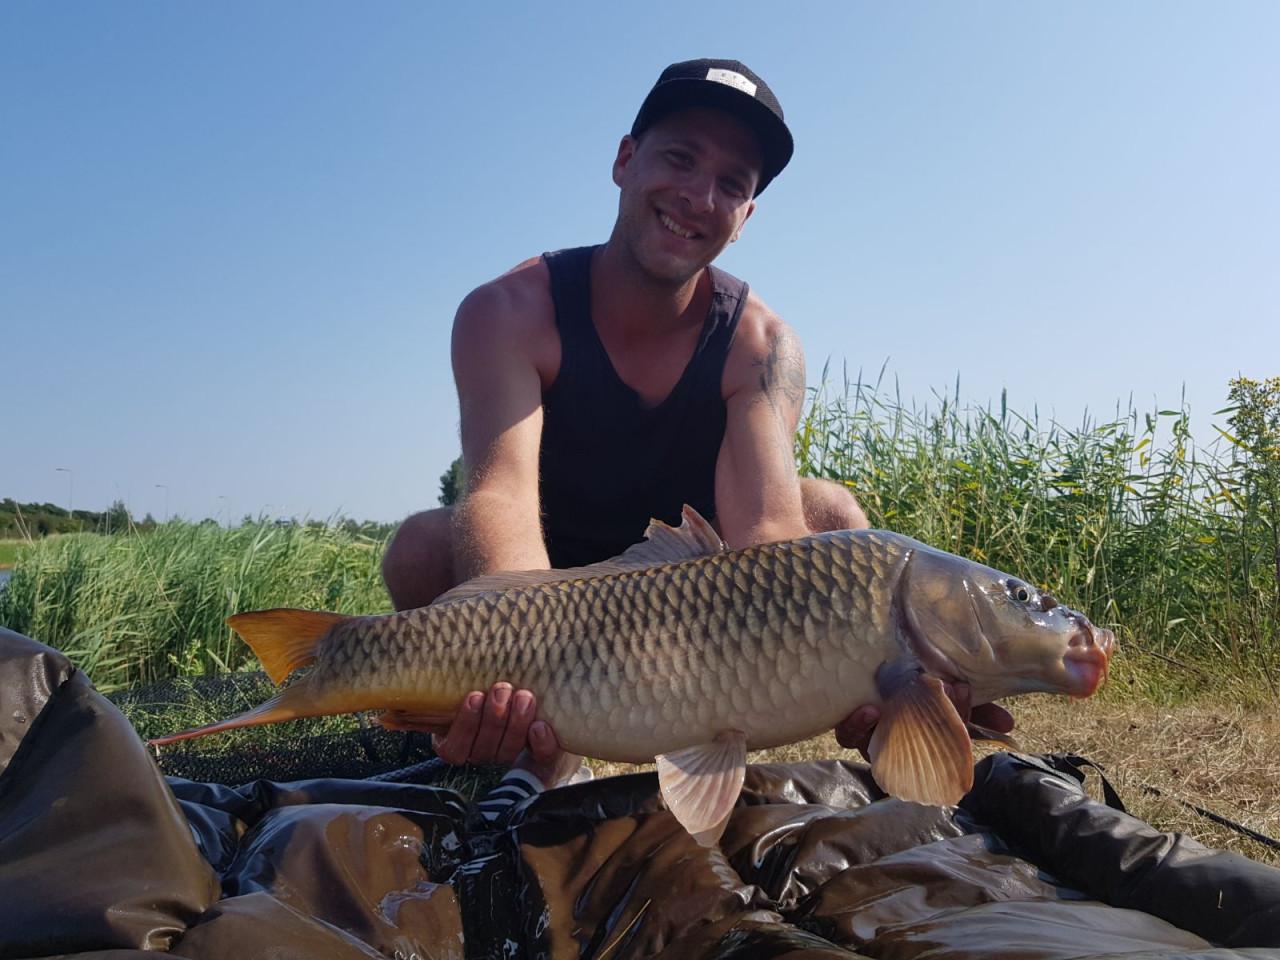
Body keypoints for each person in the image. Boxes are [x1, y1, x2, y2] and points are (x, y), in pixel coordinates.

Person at [382, 59, 1011, 787]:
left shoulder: (763, 345)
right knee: (421, 549)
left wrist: (872, 669)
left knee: (833, 512)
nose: (697, 197)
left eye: (732, 185)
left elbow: (770, 536)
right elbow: (500, 496)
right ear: (625, 160)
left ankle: (806, 707)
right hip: (552, 560)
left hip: (694, 583)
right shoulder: (509, 311)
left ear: (745, 218)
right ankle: (534, 737)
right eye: (679, 159)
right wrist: (518, 666)